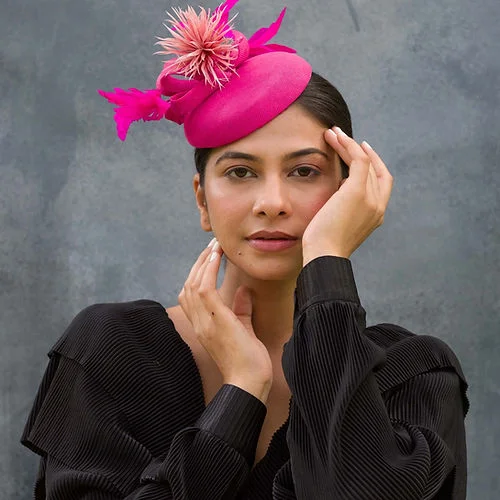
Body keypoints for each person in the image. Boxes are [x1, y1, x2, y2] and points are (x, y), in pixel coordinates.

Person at [21, 1, 469, 498]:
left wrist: (327, 258)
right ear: (202, 200)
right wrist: (240, 394)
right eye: (240, 172)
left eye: (305, 171)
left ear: (350, 191)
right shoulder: (111, 349)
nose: (273, 203)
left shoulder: (413, 373)